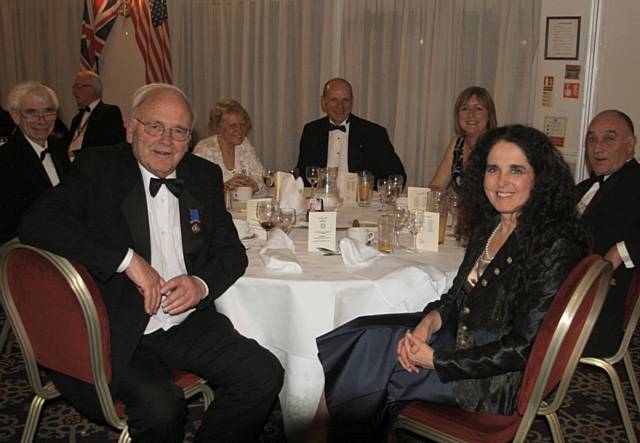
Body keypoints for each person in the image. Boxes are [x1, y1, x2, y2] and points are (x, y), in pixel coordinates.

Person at [19, 83, 284, 442]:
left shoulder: (203, 176)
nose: (165, 140)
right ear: (130, 128)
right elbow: (38, 222)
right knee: (161, 408)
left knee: (262, 373)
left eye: (178, 131)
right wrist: (126, 261)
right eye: (154, 126)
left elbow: (232, 253)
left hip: (186, 318)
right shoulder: (99, 168)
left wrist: (199, 284)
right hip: (122, 326)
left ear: (190, 139)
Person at [308, 125, 590, 442]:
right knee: (359, 336)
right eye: (493, 169)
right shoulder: (492, 226)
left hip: (491, 380)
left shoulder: (552, 245)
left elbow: (520, 348)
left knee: (368, 367)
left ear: (540, 178)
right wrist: (428, 322)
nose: (502, 182)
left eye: (517, 170)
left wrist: (436, 360)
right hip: (462, 339)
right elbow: (457, 295)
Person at [577, 109, 640, 357]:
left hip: (594, 310)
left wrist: (618, 253)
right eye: (592, 139)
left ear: (630, 145)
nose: (597, 147)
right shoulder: (584, 187)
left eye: (609, 138)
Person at [296, 78, 406, 187]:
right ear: (323, 102)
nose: (340, 105)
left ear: (352, 102)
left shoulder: (373, 133)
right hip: (321, 200)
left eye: (345, 100)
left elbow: (397, 176)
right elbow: (302, 174)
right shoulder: (311, 131)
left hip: (358, 202)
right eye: (334, 99)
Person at [0, 81, 70, 243]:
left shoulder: (58, 149)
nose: (42, 120)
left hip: (66, 241)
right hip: (29, 250)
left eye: (48, 111)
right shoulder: (6, 159)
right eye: (31, 113)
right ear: (15, 116)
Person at [429, 86, 497, 191]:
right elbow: (436, 186)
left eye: (478, 108)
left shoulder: (497, 146)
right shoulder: (457, 143)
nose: (471, 114)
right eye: (465, 108)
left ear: (489, 115)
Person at [193, 99, 265, 192]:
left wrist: (254, 184)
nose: (239, 130)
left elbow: (262, 177)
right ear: (218, 127)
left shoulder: (244, 144)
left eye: (242, 125)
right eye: (233, 125)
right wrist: (223, 187)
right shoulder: (204, 149)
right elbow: (196, 189)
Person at [66, 70, 125, 160]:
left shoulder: (109, 112)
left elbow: (110, 146)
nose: (74, 92)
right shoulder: (77, 118)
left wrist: (77, 154)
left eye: (79, 87)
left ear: (93, 89)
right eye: (74, 87)